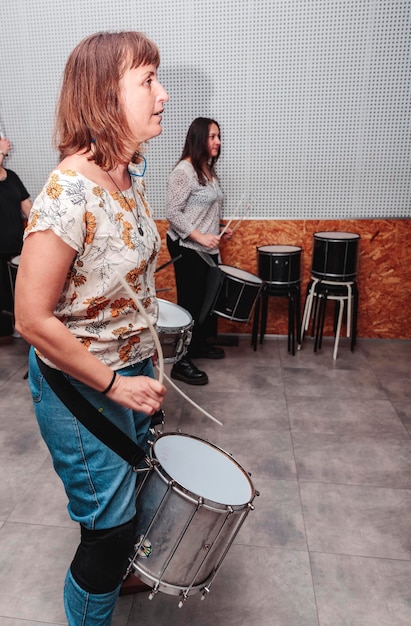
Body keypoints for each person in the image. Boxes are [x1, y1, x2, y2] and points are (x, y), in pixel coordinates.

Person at [14, 31, 168, 625]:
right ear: (106, 95)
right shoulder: (68, 190)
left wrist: (143, 371)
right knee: (107, 534)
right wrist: (114, 384)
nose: (163, 94)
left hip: (129, 372)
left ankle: (123, 571)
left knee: (131, 499)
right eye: (148, 81)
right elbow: (31, 318)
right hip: (80, 385)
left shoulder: (129, 176)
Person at [166, 117, 232, 385]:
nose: (218, 142)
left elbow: (205, 209)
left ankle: (198, 345)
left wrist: (219, 229)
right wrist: (199, 236)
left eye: (218, 136)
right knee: (190, 302)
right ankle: (180, 362)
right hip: (187, 246)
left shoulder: (207, 170)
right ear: (199, 138)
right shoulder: (185, 170)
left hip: (205, 244)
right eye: (212, 136)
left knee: (207, 300)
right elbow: (173, 212)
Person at [0, 137, 32, 335]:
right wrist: (1, 151)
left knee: (21, 293)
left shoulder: (11, 176)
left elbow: (28, 207)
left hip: (17, 247)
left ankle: (22, 328)